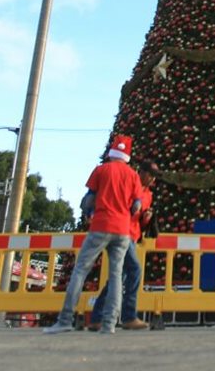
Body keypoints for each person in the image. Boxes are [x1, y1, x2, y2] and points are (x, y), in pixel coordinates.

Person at [44, 135, 143, 335]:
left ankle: (65, 320)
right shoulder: (133, 175)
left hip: (100, 225)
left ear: (111, 153)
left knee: (81, 270)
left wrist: (92, 211)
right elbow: (137, 206)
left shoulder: (101, 170)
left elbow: (89, 200)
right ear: (127, 156)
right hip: (123, 230)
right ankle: (109, 324)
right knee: (116, 275)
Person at [90, 159, 159, 331]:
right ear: (141, 172)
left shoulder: (148, 195)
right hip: (121, 232)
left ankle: (97, 317)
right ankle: (128, 316)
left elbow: (139, 219)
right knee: (134, 270)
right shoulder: (129, 183)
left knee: (119, 276)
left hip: (132, 235)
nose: (153, 179)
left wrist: (146, 219)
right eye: (151, 175)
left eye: (155, 177)